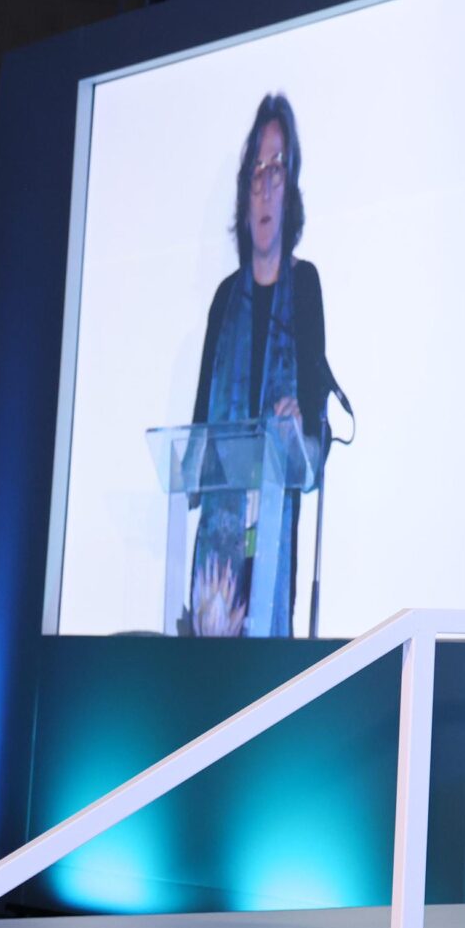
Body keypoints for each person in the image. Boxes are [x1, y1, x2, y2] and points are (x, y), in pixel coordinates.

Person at [187, 93, 330, 637]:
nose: (266, 186)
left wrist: (301, 427)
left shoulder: (306, 287)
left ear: (291, 190)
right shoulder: (225, 300)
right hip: (218, 564)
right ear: (244, 198)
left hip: (272, 538)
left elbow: (315, 431)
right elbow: (198, 437)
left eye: (278, 168)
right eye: (256, 171)